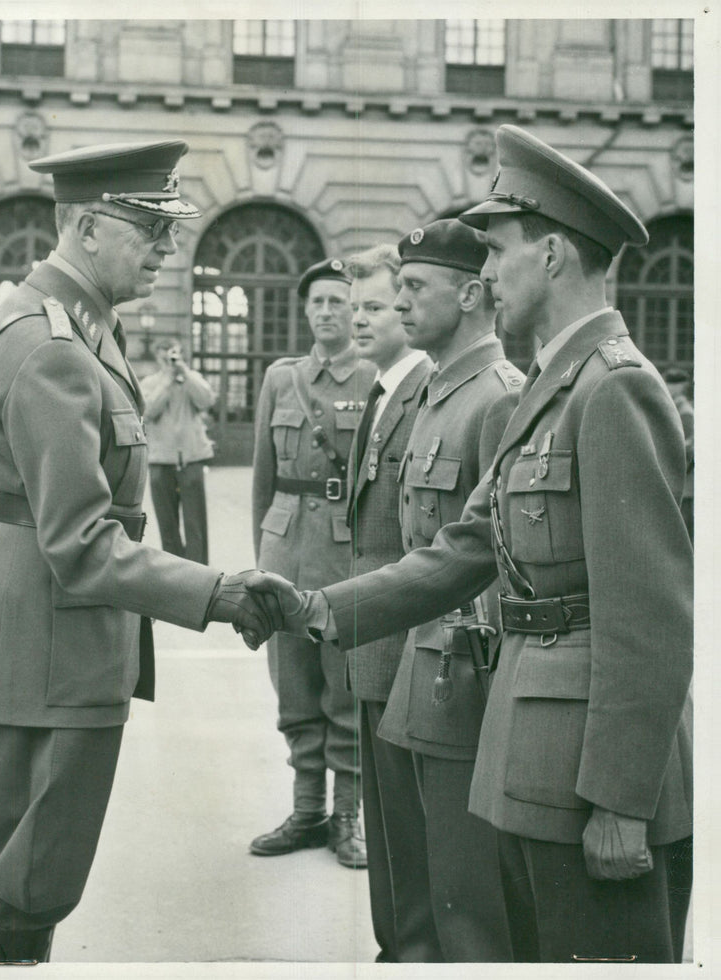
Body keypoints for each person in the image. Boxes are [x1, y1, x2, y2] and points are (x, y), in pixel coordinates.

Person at [252, 124, 693, 964]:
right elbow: (464, 550)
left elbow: (652, 618)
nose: (485, 275)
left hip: (590, 780)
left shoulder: (615, 389)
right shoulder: (552, 391)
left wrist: (623, 801)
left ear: (554, 255)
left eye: (497, 251)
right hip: (531, 760)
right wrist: (314, 609)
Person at [0, 139, 283, 964]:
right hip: (48, 646)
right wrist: (219, 591)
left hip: (47, 641)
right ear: (90, 227)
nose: (168, 251)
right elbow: (83, 544)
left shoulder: (72, 324)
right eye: (150, 230)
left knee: (33, 876)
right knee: (29, 883)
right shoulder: (54, 347)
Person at [372, 218, 521, 961]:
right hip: (417, 676)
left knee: (469, 910)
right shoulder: (437, 389)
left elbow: (499, 557)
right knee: (417, 903)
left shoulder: (498, 397)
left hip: (465, 686)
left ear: (470, 294)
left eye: (413, 287)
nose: (398, 303)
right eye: (398, 287)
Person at [249, 257, 375, 868]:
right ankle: (306, 810)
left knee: (344, 689)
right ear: (305, 311)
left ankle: (347, 815)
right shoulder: (281, 379)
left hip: (346, 552)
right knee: (293, 686)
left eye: (338, 302)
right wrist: (260, 557)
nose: (327, 312)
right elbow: (261, 480)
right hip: (284, 546)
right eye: (318, 302)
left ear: (356, 311)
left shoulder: (375, 377)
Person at [344, 244, 434, 959]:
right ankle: (395, 948)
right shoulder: (382, 393)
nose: (360, 320)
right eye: (355, 308)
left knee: (413, 835)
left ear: (409, 307)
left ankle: (409, 952)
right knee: (389, 834)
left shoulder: (430, 392)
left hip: (414, 649)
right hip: (376, 645)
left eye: (375, 306)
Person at [141, 338, 215, 563]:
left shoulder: (192, 379)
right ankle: (174, 575)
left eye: (172, 353)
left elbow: (206, 400)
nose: (167, 357)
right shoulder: (150, 382)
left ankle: (201, 576)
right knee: (168, 525)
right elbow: (149, 410)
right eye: (162, 353)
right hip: (160, 461)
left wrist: (185, 374)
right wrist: (166, 382)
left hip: (191, 460)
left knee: (196, 525)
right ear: (157, 356)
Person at [663, 366, 694, 541]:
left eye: (671, 384)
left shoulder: (685, 411)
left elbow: (687, 447)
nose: (667, 387)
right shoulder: (674, 406)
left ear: (681, 386)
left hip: (685, 478)